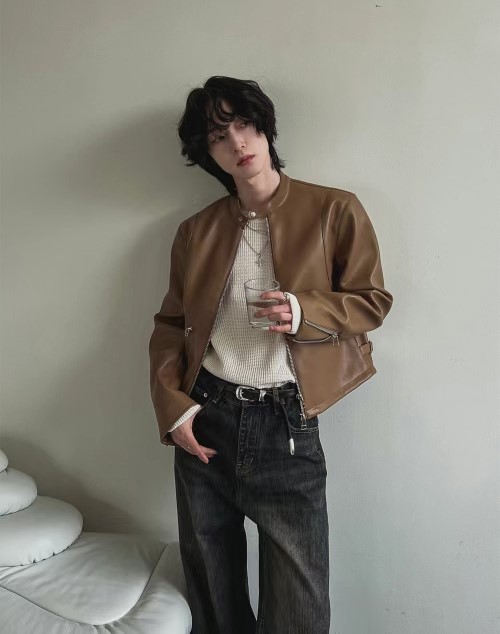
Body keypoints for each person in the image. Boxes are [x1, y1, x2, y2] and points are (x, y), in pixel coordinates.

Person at [149, 75, 393, 634]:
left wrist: (304, 312)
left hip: (287, 423)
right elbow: (170, 325)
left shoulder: (334, 209)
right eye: (218, 136)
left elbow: (372, 300)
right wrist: (173, 408)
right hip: (205, 420)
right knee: (213, 600)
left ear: (265, 128)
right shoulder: (195, 231)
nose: (237, 142)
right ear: (206, 154)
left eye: (245, 124)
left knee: (298, 614)